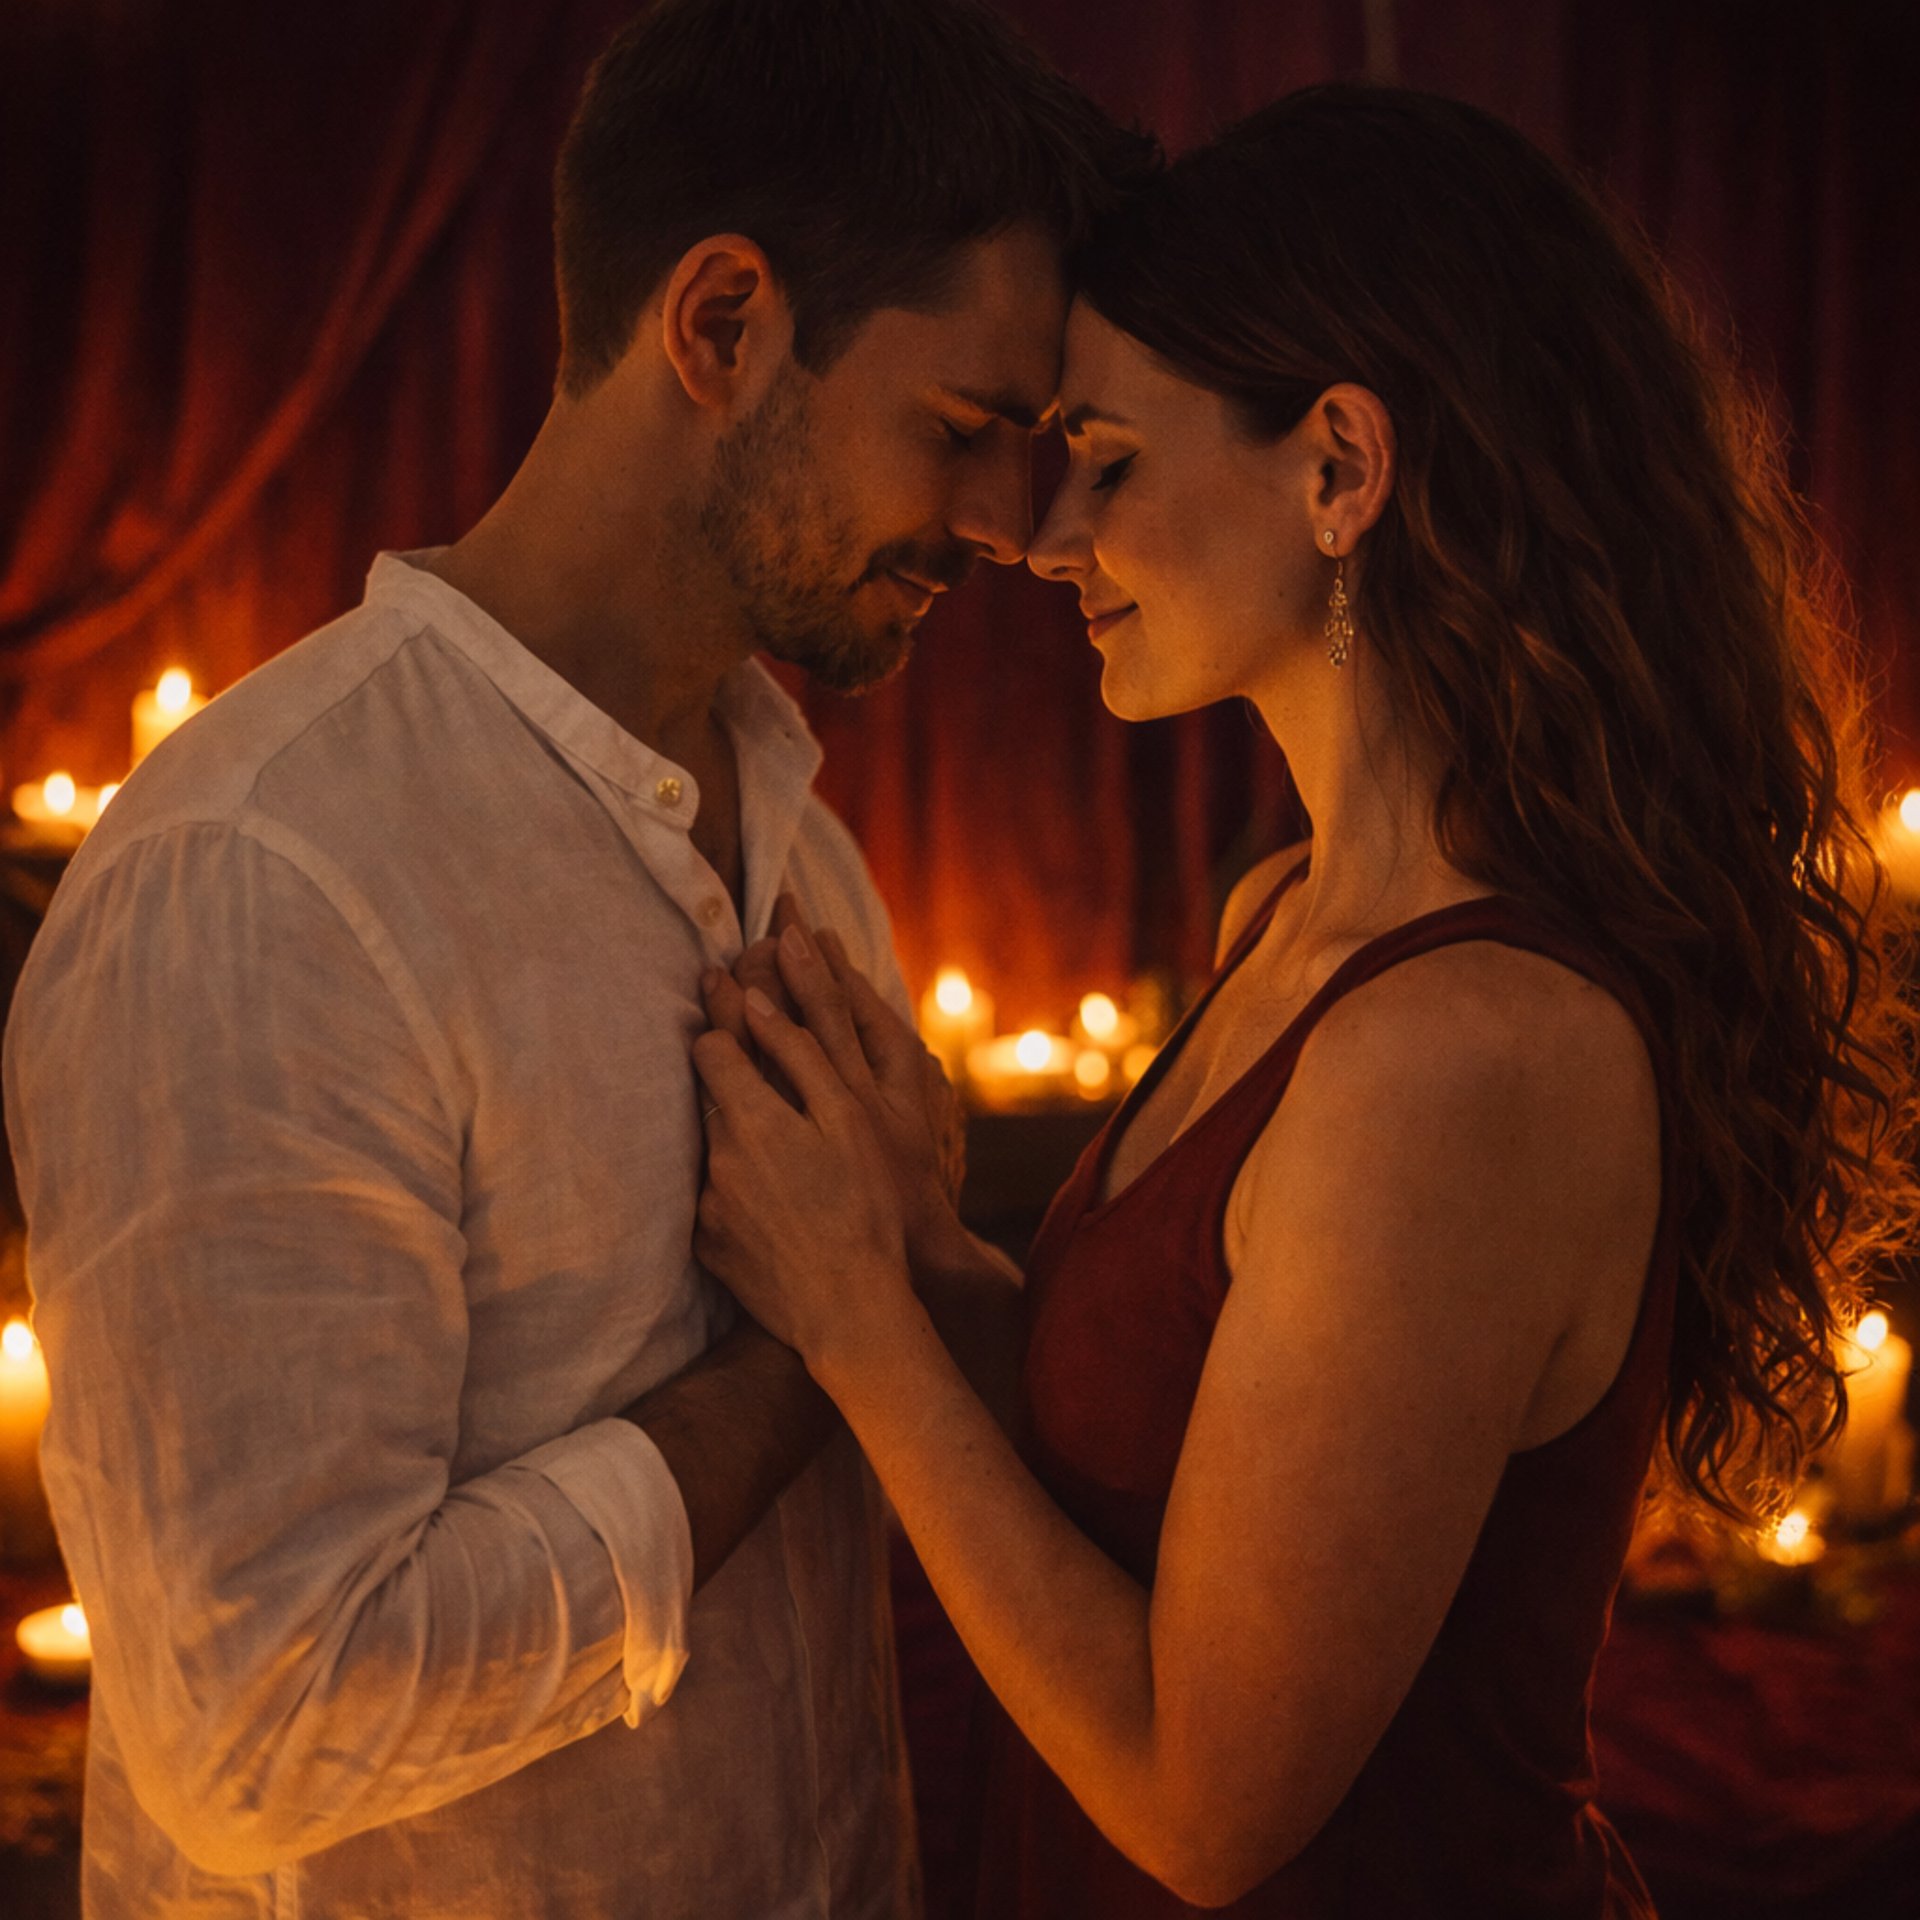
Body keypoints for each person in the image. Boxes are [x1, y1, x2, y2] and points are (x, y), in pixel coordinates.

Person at [689, 85, 1920, 1916]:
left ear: (1341, 468)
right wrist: (916, 1239)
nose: (1042, 538)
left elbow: (1207, 1808)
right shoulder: (1290, 916)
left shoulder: (1466, 1053)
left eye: (1105, 460)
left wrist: (860, 1320)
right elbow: (1156, 1450)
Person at [1, 4, 1147, 1915]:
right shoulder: (265, 874)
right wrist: (816, 1356)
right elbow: (260, 1719)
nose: (1011, 530)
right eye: (962, 431)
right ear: (718, 325)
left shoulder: (811, 853)